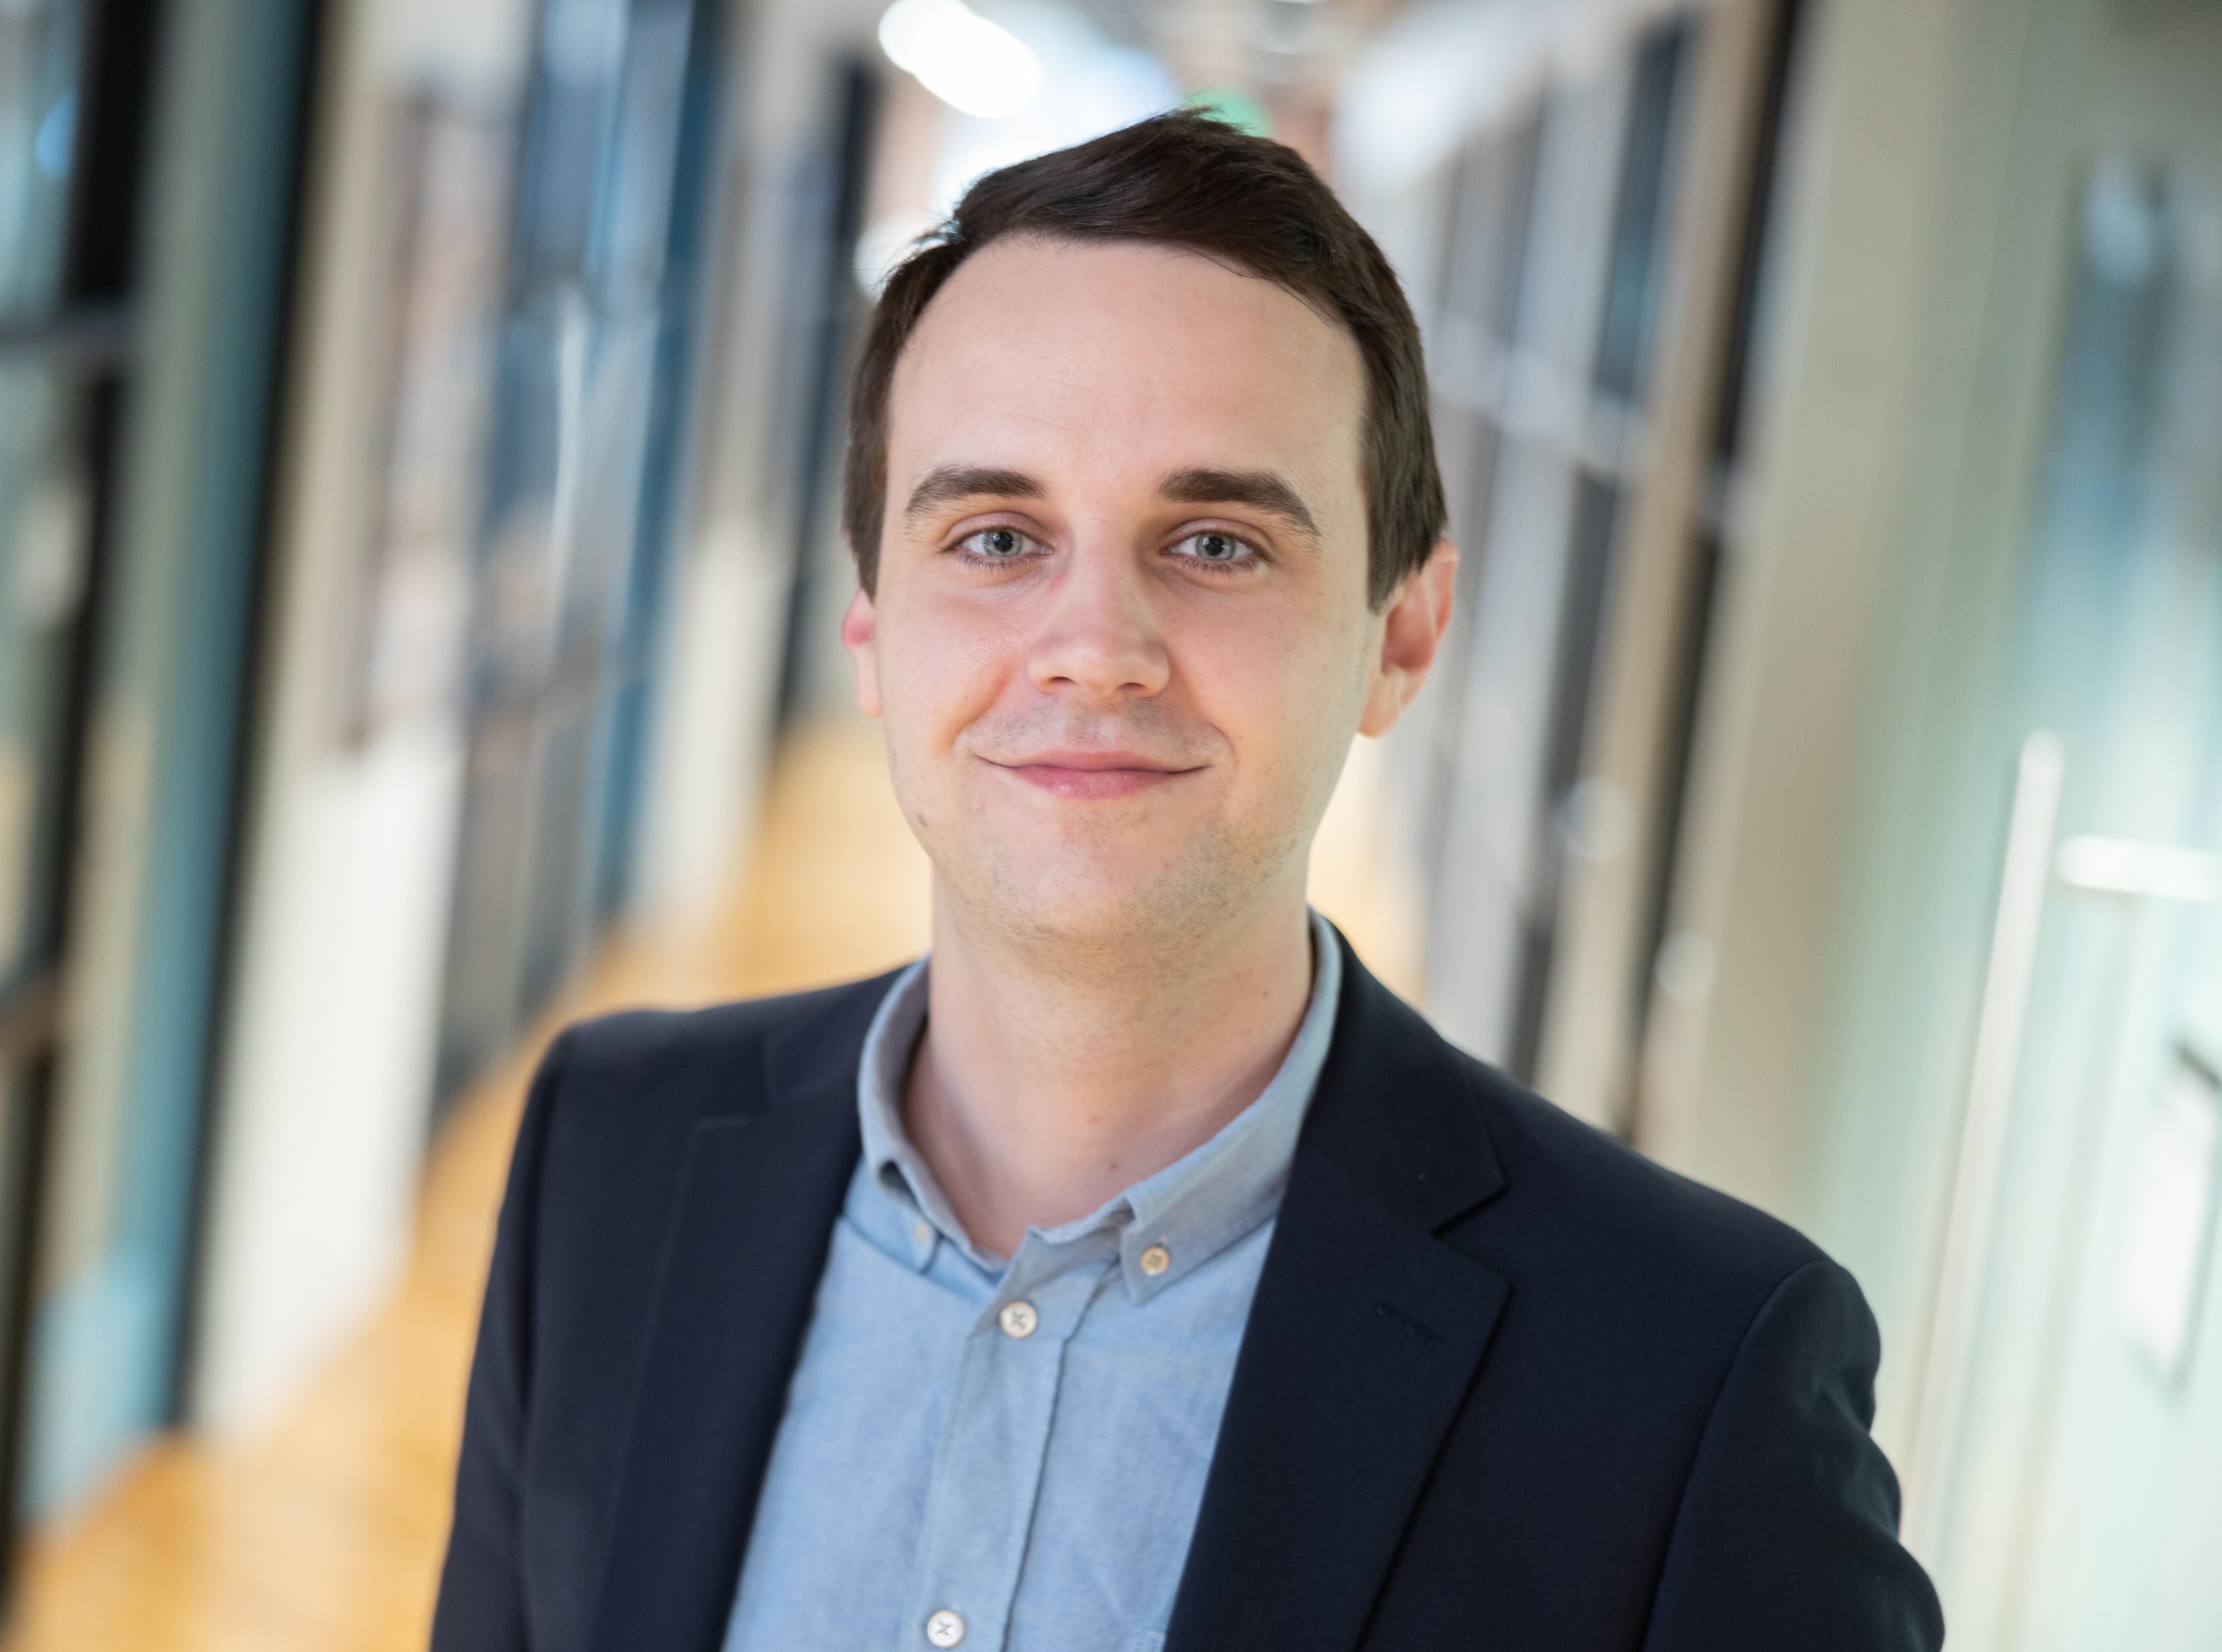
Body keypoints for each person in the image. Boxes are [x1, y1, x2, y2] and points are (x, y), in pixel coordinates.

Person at [430, 112, 1944, 1652]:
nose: (1096, 648)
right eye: (998, 536)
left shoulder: (1695, 1379)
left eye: (1216, 543)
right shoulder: (607, 1151)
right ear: (873, 623)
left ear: (1403, 633)